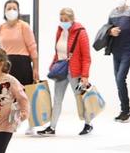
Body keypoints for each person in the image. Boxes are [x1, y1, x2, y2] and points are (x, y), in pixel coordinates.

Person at [39, 8, 93, 136]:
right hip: (61, 70)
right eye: (61, 20)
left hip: (76, 72)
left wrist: (85, 75)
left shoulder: (81, 32)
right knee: (57, 99)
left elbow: (86, 57)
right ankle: (52, 127)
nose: (63, 22)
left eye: (65, 20)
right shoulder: (60, 31)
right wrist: (53, 64)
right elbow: (58, 51)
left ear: (72, 19)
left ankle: (88, 124)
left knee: (79, 98)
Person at [100, 0, 130, 123]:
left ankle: (126, 111)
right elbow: (107, 29)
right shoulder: (112, 13)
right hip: (115, 51)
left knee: (120, 79)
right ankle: (124, 110)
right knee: (118, 81)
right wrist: (111, 31)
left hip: (128, 51)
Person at [0, 0, 35, 86]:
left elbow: (32, 48)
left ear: (18, 11)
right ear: (4, 11)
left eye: (14, 9)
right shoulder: (0, 28)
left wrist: (36, 69)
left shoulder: (24, 26)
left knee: (23, 93)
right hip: (6, 63)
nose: (11, 11)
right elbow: (1, 47)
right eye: (9, 8)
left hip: (22, 63)